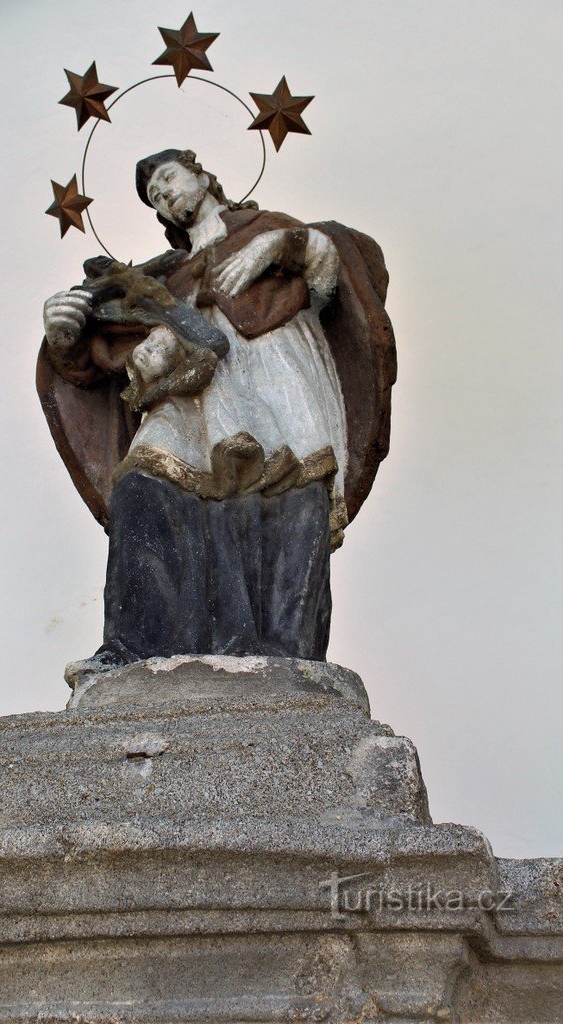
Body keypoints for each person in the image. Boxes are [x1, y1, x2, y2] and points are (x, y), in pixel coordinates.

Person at [39, 149, 396, 668]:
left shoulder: (266, 229)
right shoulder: (164, 278)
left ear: (201, 174)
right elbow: (100, 360)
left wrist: (281, 245)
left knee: (287, 494)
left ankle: (282, 656)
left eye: (168, 179)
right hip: (192, 392)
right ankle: (133, 649)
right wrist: (64, 334)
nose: (165, 196)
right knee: (142, 485)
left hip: (274, 370)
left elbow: (337, 272)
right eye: (155, 197)